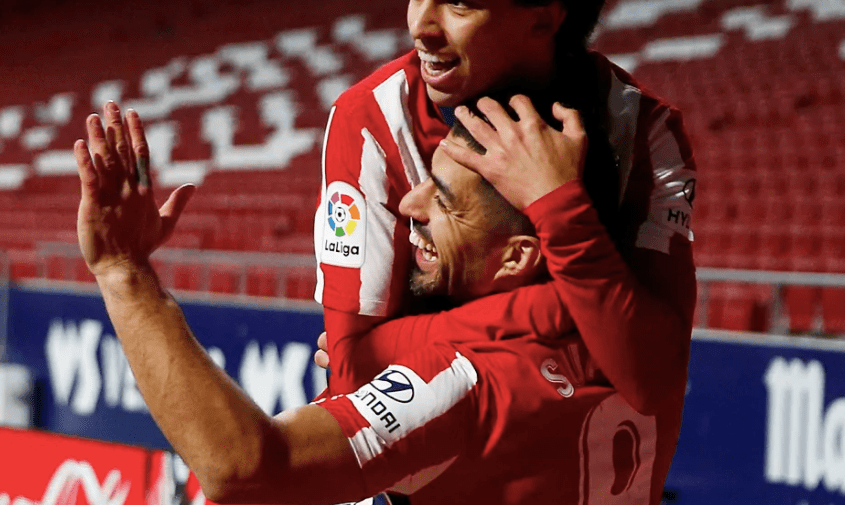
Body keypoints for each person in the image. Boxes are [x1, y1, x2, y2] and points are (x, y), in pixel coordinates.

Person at [74, 98, 676, 505]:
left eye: (444, 201)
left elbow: (247, 467)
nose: (409, 207)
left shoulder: (466, 381)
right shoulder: (623, 340)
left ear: (516, 257)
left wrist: (123, 274)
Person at [314, 0, 698, 421]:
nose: (419, 25)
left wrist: (559, 207)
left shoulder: (645, 133)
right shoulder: (369, 119)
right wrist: (552, 313)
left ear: (545, 19)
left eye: (458, 2)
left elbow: (655, 382)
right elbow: (356, 373)